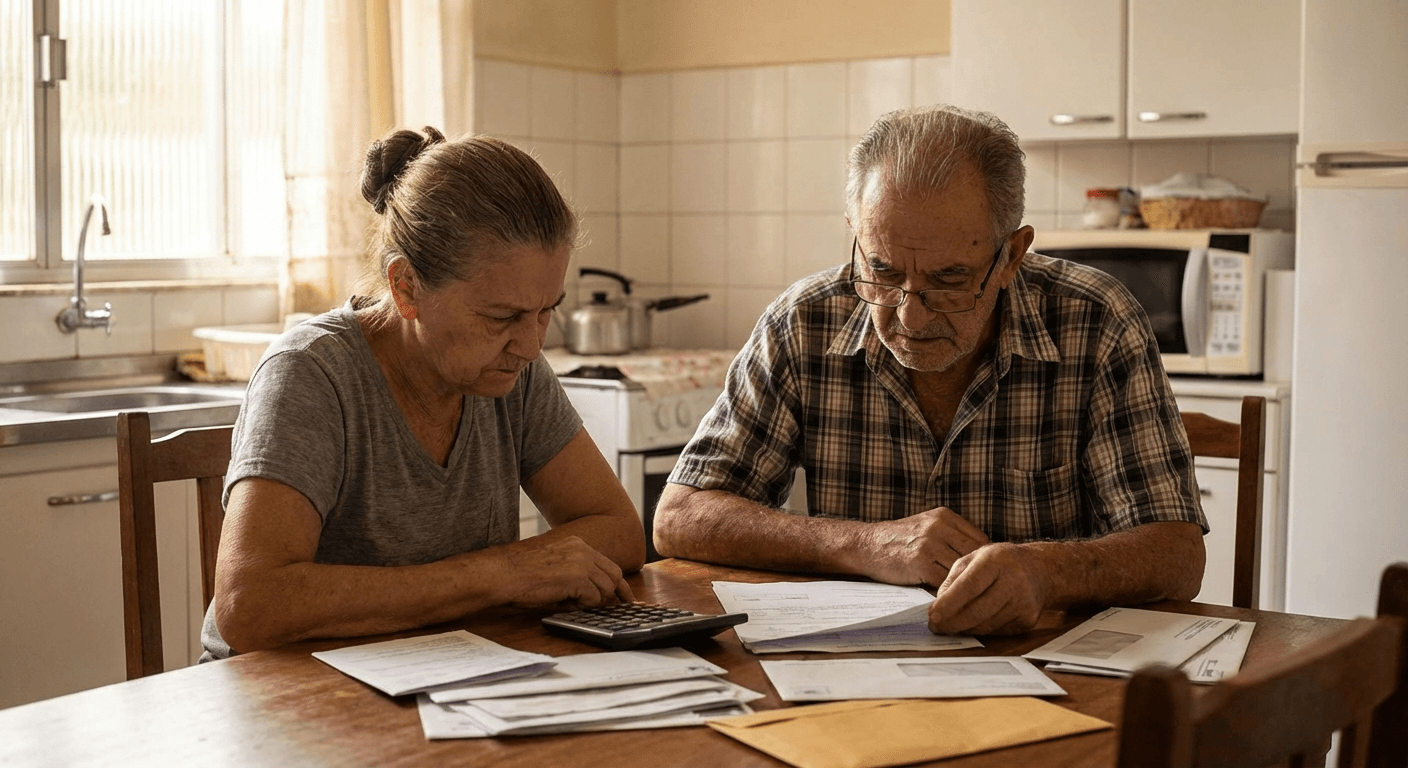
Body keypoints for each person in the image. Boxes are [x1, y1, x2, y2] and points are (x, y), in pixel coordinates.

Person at [653, 105, 1206, 637]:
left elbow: (1177, 555)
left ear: (1012, 255)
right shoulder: (803, 323)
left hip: (1046, 665)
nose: (909, 315)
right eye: (882, 270)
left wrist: (1046, 572)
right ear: (855, 233)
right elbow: (680, 517)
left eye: (949, 279)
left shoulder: (1097, 320)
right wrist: (863, 545)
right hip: (847, 665)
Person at [203, 127, 645, 659]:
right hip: (284, 700)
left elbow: (619, 531)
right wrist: (500, 574)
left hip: (438, 677)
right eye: (501, 316)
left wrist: (504, 576)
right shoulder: (311, 374)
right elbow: (250, 606)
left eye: (546, 310)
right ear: (406, 288)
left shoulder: (509, 370)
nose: (531, 345)